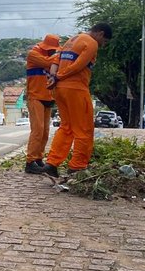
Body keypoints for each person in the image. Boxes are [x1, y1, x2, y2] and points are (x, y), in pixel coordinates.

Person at [41, 23, 113, 177]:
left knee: (66, 128)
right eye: (105, 41)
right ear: (100, 34)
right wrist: (60, 76)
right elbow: (79, 65)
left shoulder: (71, 40)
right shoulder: (92, 42)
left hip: (59, 90)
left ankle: (52, 164)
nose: (103, 45)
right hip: (76, 89)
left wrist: (53, 77)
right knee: (84, 129)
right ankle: (77, 167)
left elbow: (55, 62)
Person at [23, 34, 61, 174]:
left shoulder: (54, 54)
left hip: (48, 97)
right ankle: (30, 161)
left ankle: (38, 158)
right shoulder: (33, 54)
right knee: (37, 129)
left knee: (45, 131)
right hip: (35, 96)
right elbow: (48, 63)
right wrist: (59, 55)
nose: (53, 51)